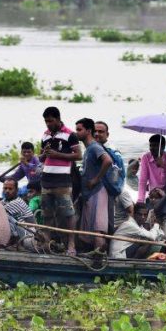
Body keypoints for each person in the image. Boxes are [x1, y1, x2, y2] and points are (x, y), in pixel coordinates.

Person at [39, 106, 82, 254]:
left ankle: (71, 245)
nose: (48, 124)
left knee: (69, 214)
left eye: (50, 121)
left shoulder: (70, 135)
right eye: (46, 121)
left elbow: (78, 155)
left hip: (63, 181)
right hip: (46, 180)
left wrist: (57, 154)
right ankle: (47, 243)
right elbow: (41, 158)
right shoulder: (45, 135)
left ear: (58, 119)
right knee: (47, 214)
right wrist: (44, 154)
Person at [76, 118, 113, 254]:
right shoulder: (88, 149)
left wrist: (96, 179)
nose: (77, 133)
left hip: (97, 192)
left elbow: (107, 160)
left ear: (88, 131)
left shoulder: (94, 147)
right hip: (89, 194)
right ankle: (95, 256)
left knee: (98, 229)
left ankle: (100, 260)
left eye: (79, 130)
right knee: (90, 230)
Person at [136, 134, 166, 204]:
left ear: (163, 147)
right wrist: (140, 200)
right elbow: (143, 181)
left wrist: (164, 165)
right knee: (154, 196)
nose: (152, 148)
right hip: (155, 192)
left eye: (155, 146)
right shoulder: (146, 157)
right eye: (150, 145)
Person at [0, 178, 35, 250]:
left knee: (4, 216)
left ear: (16, 190)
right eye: (5, 188)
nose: (7, 191)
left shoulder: (17, 202)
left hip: (28, 236)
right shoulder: (5, 201)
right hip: (22, 233)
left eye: (10, 189)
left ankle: (14, 243)